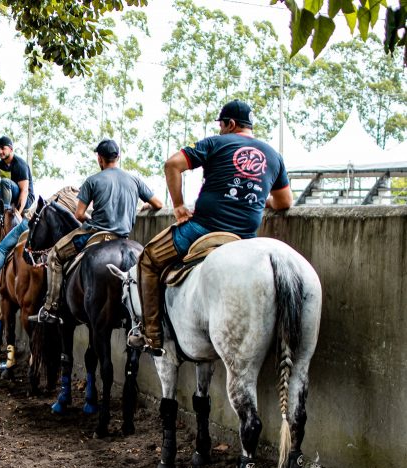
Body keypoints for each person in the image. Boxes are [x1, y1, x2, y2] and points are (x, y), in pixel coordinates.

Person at [138, 99, 293, 355]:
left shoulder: (215, 143)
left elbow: (172, 165)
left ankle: (152, 336)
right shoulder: (274, 156)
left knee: (148, 259)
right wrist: (254, 197)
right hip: (244, 238)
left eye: (222, 125)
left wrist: (178, 206)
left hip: (203, 229)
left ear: (230, 124)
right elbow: (284, 202)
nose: (221, 129)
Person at [30, 139, 164, 324]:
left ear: (100, 159)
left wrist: (90, 220)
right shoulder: (135, 180)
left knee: (54, 256)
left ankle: (51, 308)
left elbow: (79, 213)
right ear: (118, 157)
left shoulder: (92, 181)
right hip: (122, 236)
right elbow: (158, 204)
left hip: (95, 233)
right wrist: (144, 207)